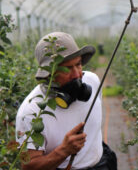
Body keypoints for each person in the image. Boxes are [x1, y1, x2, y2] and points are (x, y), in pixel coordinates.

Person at [15, 32, 117, 170]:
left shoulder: (92, 81)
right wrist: (63, 150)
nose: (77, 74)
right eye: (67, 68)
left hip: (102, 164)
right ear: (49, 73)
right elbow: (28, 166)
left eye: (79, 64)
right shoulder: (31, 112)